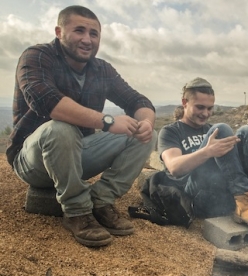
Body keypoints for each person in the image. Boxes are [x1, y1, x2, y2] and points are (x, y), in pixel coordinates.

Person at [7, 5, 156, 248]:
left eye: (94, 33)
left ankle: (100, 201)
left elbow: (138, 101)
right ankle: (77, 213)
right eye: (79, 30)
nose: (87, 39)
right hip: (31, 161)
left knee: (146, 135)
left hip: (77, 155)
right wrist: (107, 122)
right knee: (61, 128)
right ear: (59, 31)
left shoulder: (102, 69)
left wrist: (147, 123)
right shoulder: (36, 56)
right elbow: (47, 102)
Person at [158, 78, 248, 227]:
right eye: (200, 107)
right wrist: (207, 152)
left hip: (222, 193)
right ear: (185, 103)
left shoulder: (211, 129)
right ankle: (245, 202)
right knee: (222, 129)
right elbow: (174, 168)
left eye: (210, 108)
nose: (205, 113)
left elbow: (234, 166)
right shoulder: (170, 131)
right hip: (195, 195)